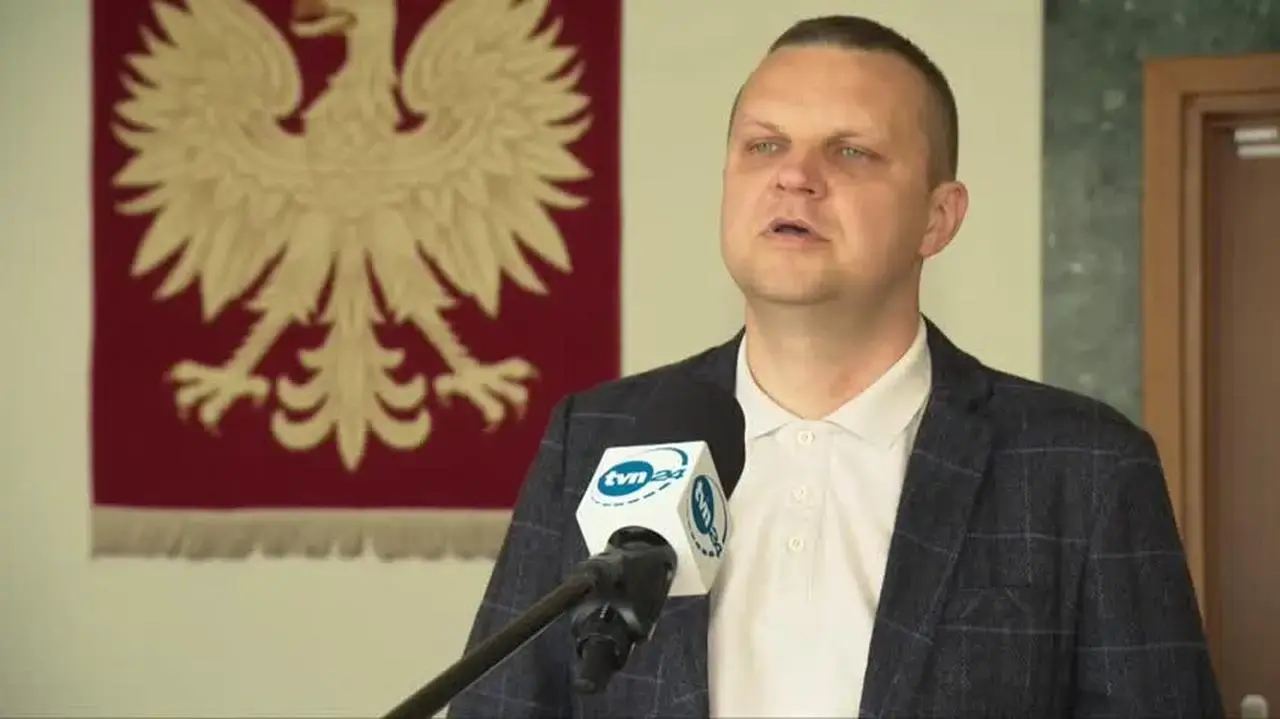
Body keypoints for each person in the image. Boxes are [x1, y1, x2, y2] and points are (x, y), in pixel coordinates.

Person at [446, 14, 1223, 719]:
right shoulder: (598, 437)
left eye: (851, 151)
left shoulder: (1084, 466)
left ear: (937, 218)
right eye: (765, 145)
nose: (794, 175)